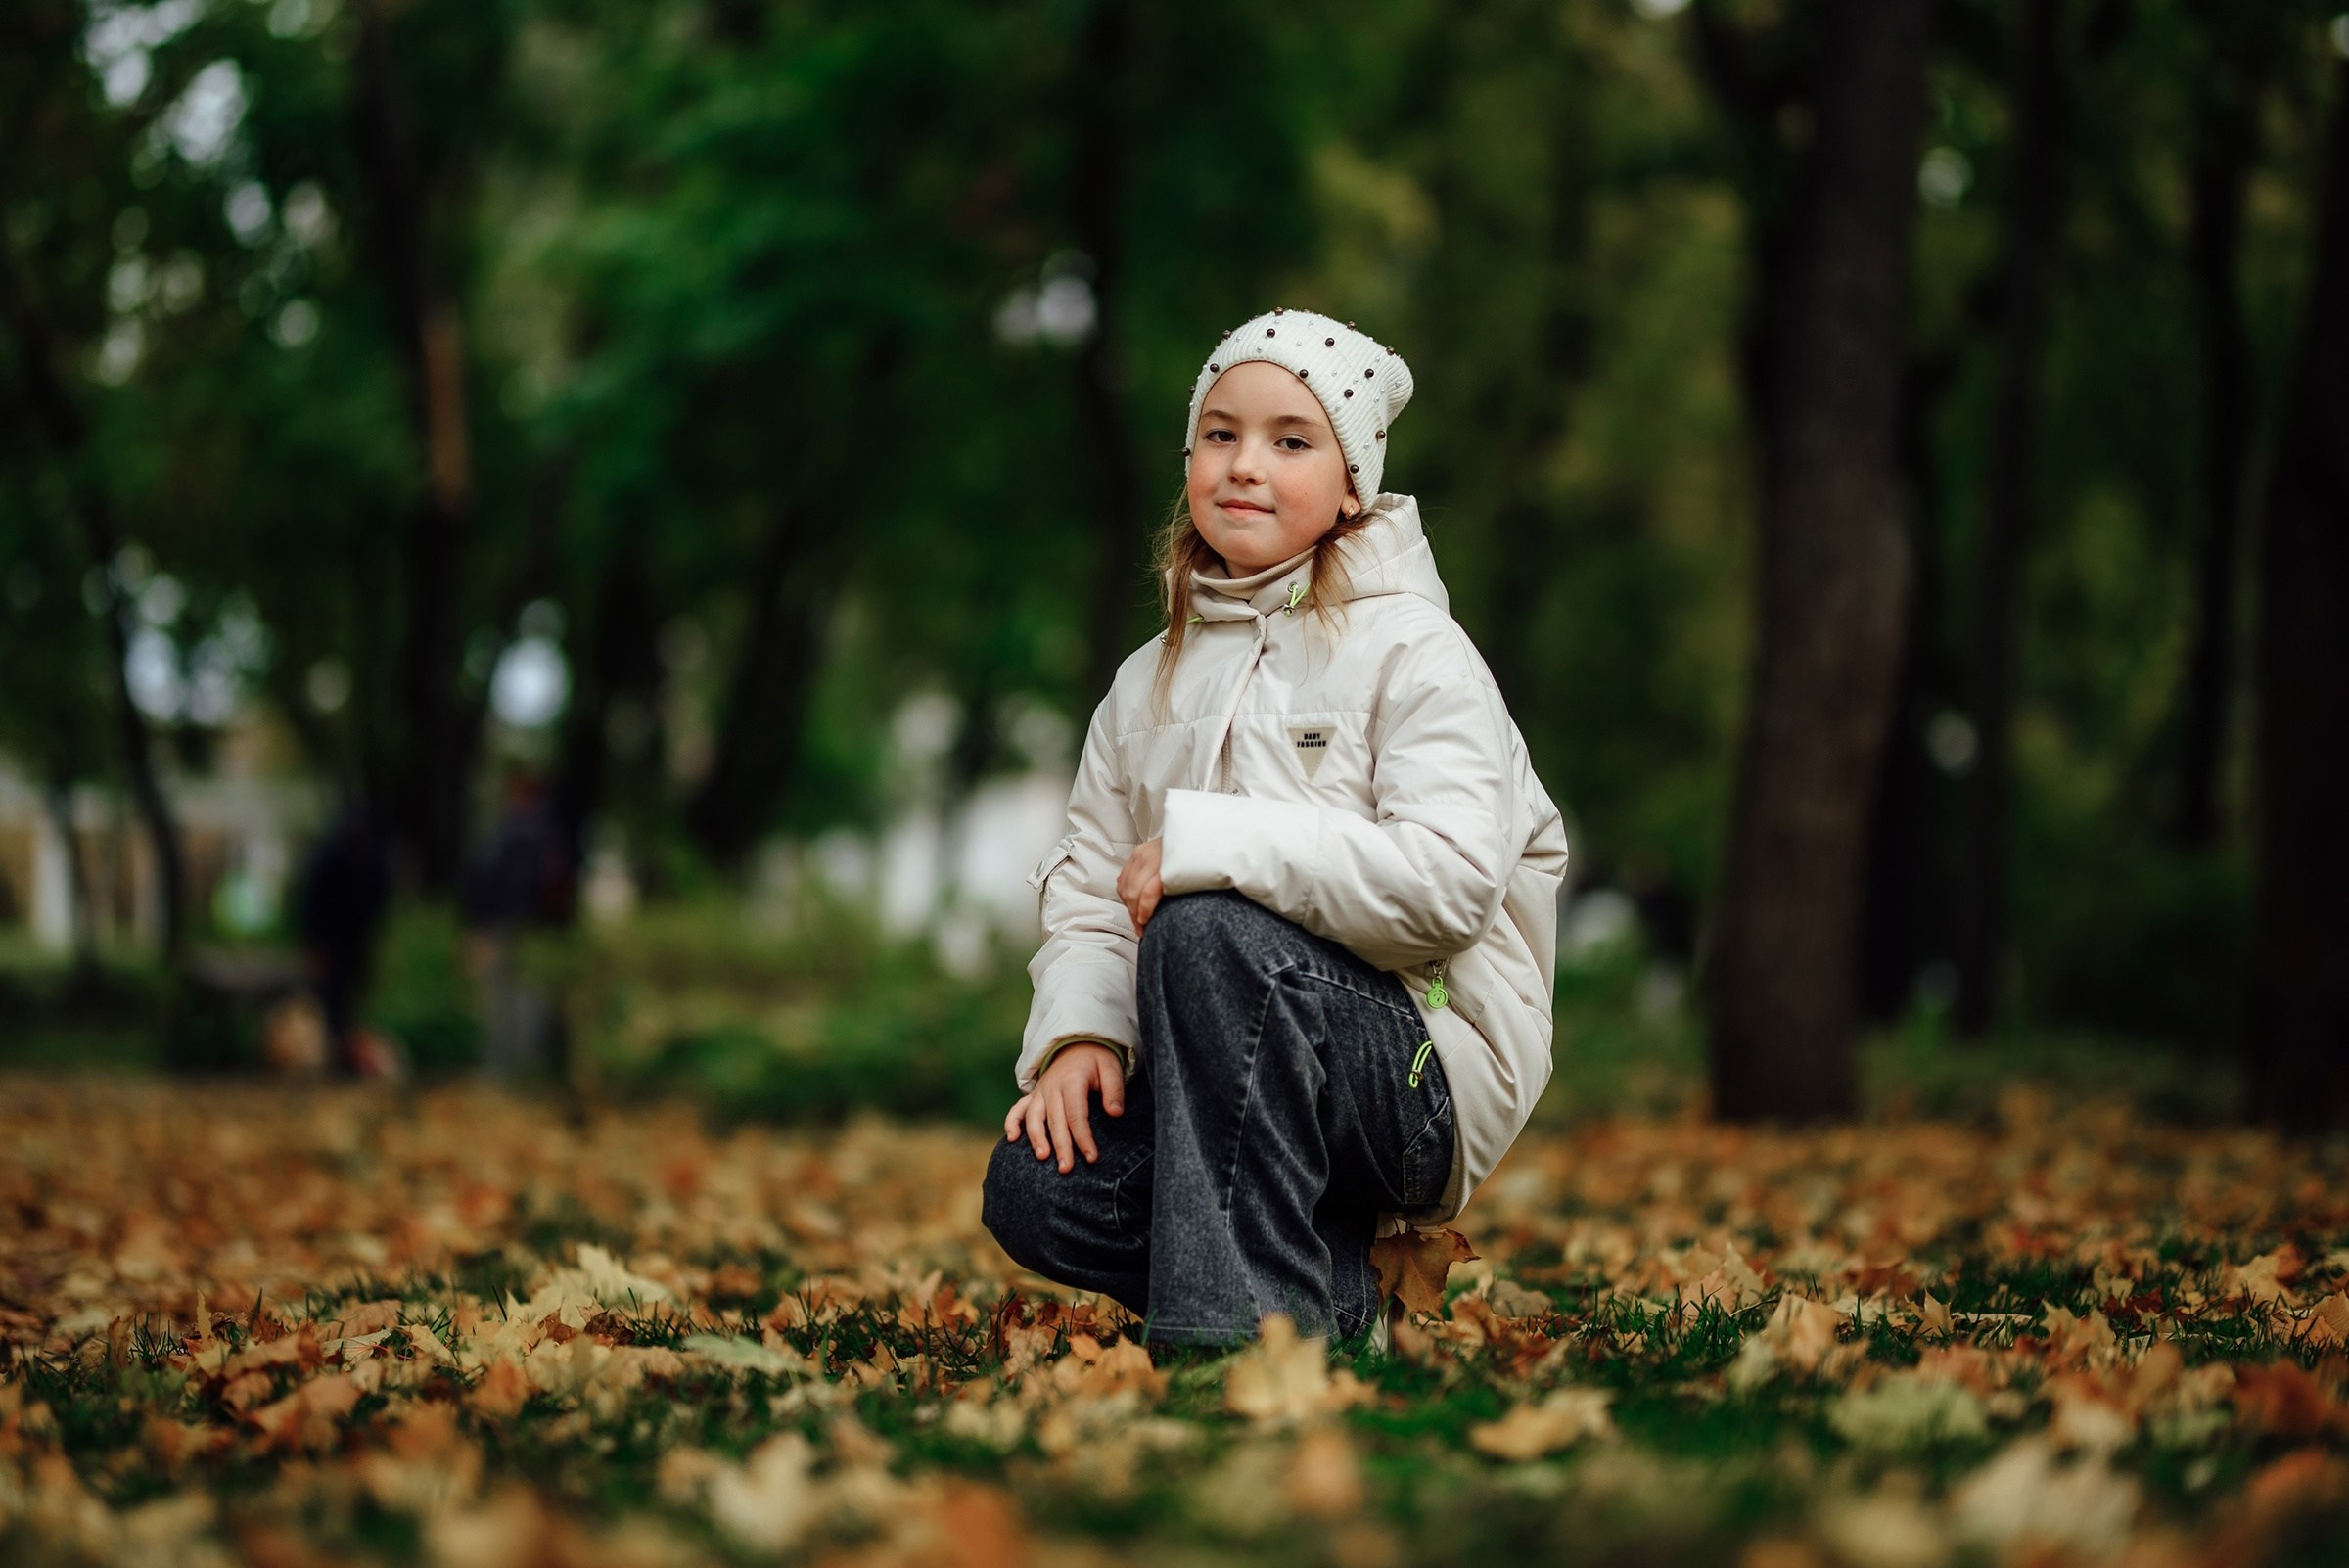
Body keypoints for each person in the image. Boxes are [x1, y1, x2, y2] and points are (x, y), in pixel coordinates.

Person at [982, 309, 1570, 1348]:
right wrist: (1080, 1035)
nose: (1246, 464)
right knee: (1040, 1186)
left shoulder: (1416, 653)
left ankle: (1231, 1350)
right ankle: (1328, 1299)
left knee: (1207, 925)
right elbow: (1092, 890)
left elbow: (1447, 890)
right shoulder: (1143, 684)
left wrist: (1216, 845)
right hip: (1223, 1080)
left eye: (1291, 440)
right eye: (1221, 434)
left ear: (1352, 486)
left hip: (1421, 1065)